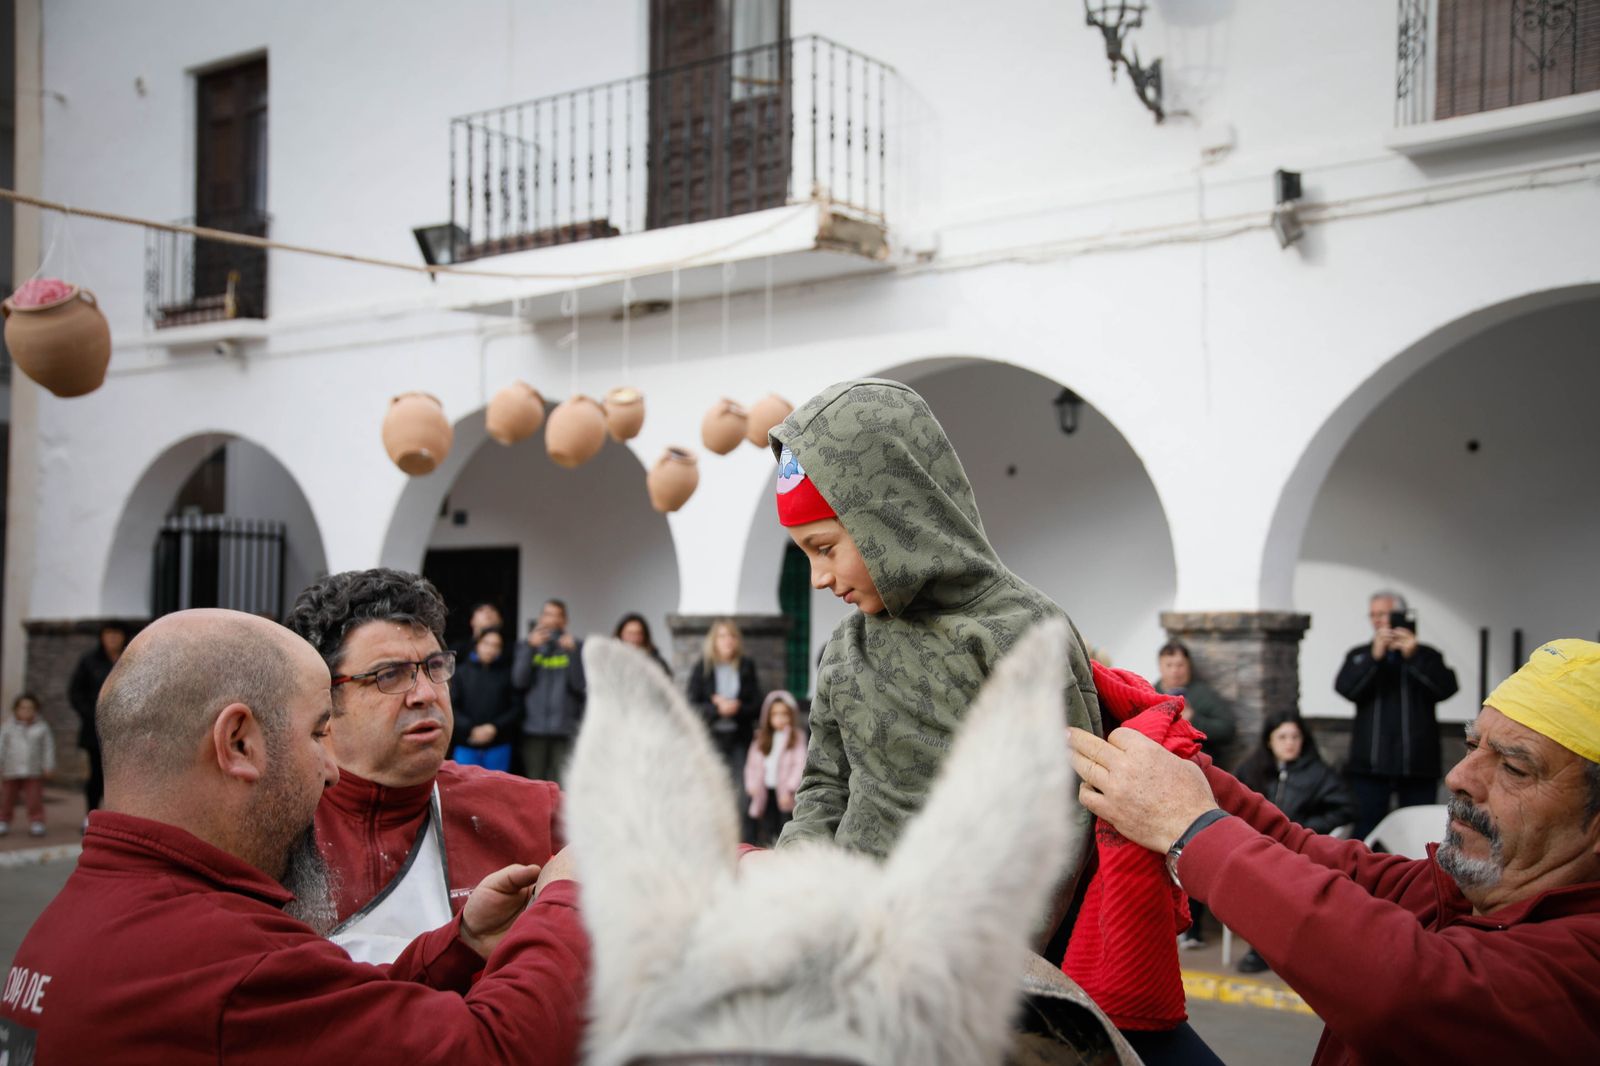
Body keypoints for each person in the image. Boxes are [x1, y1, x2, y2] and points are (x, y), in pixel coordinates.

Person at [0, 608, 587, 1064]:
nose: (330, 768)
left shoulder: (76, 919)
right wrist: (564, 900)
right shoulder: (216, 959)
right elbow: (488, 1053)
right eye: (316, 732)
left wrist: (460, 945)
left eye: (436, 667)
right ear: (238, 743)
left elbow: (331, 1007)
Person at [1069, 638, 1600, 1065]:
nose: (1459, 778)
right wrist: (1163, 757)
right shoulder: (1458, 890)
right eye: (1471, 746)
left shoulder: (1582, 959)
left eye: (1513, 768)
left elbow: (1403, 992)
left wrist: (1189, 827)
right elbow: (1299, 851)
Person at [769, 379, 1102, 866]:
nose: (818, 577)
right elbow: (824, 783)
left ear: (889, 518)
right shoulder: (846, 646)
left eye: (824, 548)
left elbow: (1058, 818)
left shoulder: (1020, 633)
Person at [286, 568, 568, 964]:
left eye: (435, 667)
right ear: (325, 700)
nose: (425, 693)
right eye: (389, 674)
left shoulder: (532, 811)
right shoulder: (272, 826)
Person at [1230, 711, 1355, 972]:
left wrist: (1303, 829)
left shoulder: (1319, 774)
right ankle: (1261, 946)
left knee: (1271, 878)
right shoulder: (1252, 769)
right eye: (1283, 737)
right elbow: (1232, 802)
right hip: (1256, 845)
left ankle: (1266, 950)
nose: (1290, 743)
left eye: (1295, 737)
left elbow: (1345, 809)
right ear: (1269, 741)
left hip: (1298, 851)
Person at [1335, 590, 1459, 838]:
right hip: (1370, 767)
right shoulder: (1360, 654)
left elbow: (1446, 688)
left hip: (1417, 766)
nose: (1378, 620)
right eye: (1373, 615)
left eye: (1383, 614)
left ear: (1402, 615)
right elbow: (1346, 689)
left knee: (1418, 832)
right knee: (1366, 830)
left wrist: (1413, 658)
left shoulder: (1426, 655)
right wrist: (1374, 658)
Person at [1154, 639, 1236, 948]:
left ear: (1188, 667)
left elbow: (1228, 728)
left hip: (1198, 781)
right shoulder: (1152, 689)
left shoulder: (1203, 696)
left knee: (1194, 850)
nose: (1174, 671)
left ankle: (1195, 928)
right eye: (1169, 665)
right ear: (1161, 667)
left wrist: (1193, 719)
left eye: (1180, 665)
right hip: (1161, 780)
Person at [685, 619, 760, 813]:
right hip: (711, 738)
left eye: (732, 636)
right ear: (714, 640)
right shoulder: (703, 667)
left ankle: (743, 840)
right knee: (709, 789)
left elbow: (757, 705)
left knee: (742, 792)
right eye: (722, 636)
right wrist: (716, 709)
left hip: (739, 738)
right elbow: (690, 705)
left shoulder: (746, 666)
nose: (728, 641)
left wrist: (737, 707)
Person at [513, 598, 586, 785]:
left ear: (565, 620)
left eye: (557, 615)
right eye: (547, 614)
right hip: (534, 729)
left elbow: (580, 684)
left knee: (560, 786)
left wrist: (572, 653)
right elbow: (519, 681)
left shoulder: (577, 647)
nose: (552, 619)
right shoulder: (527, 645)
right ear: (541, 618)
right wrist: (530, 648)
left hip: (564, 729)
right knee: (534, 785)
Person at [67, 621, 128, 825]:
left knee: (123, 773)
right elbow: (76, 693)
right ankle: (91, 814)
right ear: (101, 637)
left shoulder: (132, 659)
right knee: (96, 773)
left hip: (126, 729)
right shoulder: (89, 661)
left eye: (116, 634)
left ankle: (118, 814)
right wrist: (90, 713)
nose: (112, 639)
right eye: (108, 634)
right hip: (96, 729)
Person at [448, 626, 519, 772]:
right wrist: (471, 729)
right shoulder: (461, 673)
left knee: (496, 790)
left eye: (496, 645)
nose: (491, 649)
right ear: (477, 644)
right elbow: (451, 706)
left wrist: (494, 727)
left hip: (498, 744)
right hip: (466, 743)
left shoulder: (507, 673)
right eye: (486, 643)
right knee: (465, 789)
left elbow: (516, 707)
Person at [743, 690, 807, 847]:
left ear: (791, 715)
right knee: (766, 826)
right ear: (767, 716)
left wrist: (792, 787)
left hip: (786, 793)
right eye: (775, 714)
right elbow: (751, 765)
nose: (780, 718)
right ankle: (767, 851)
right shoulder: (760, 738)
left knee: (784, 825)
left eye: (784, 714)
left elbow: (800, 763)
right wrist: (751, 785)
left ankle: (783, 854)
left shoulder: (796, 737)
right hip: (764, 790)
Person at [0, 694, 55, 837]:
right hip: (11, 768)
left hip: (33, 768)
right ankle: (3, 820)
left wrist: (48, 765)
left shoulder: (42, 727)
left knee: (34, 798)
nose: (26, 711)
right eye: (22, 708)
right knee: (7, 797)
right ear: (16, 709)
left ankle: (36, 821)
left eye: (30, 708)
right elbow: (2, 747)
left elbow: (48, 747)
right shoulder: (7, 727)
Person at [615, 611, 672, 677]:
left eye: (638, 634)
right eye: (630, 634)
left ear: (645, 636)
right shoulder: (611, 660)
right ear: (620, 634)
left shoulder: (656, 663)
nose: (634, 639)